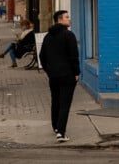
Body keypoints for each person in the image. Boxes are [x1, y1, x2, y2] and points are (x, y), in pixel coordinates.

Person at [39, 10, 80, 143]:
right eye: (67, 17)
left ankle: (56, 127)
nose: (69, 19)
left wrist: (49, 71)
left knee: (55, 100)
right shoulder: (69, 35)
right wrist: (76, 73)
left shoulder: (47, 37)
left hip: (54, 76)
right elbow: (74, 56)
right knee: (64, 103)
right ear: (60, 20)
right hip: (67, 75)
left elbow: (42, 57)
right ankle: (61, 133)